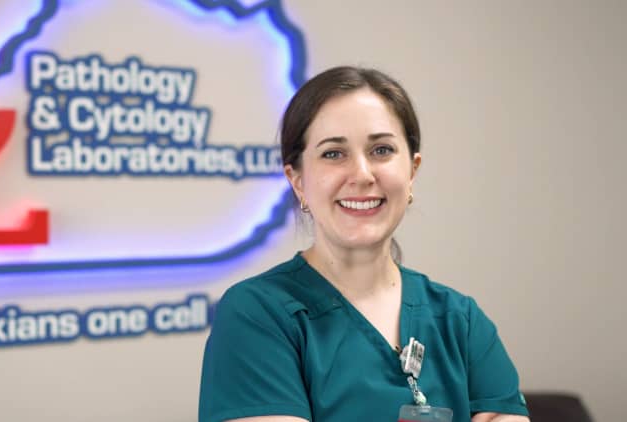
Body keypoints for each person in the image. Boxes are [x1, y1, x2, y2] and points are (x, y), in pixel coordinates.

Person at [198, 66, 530, 422]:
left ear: (412, 171)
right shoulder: (257, 314)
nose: (361, 174)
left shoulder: (460, 320)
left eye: (381, 150)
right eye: (333, 153)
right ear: (297, 181)